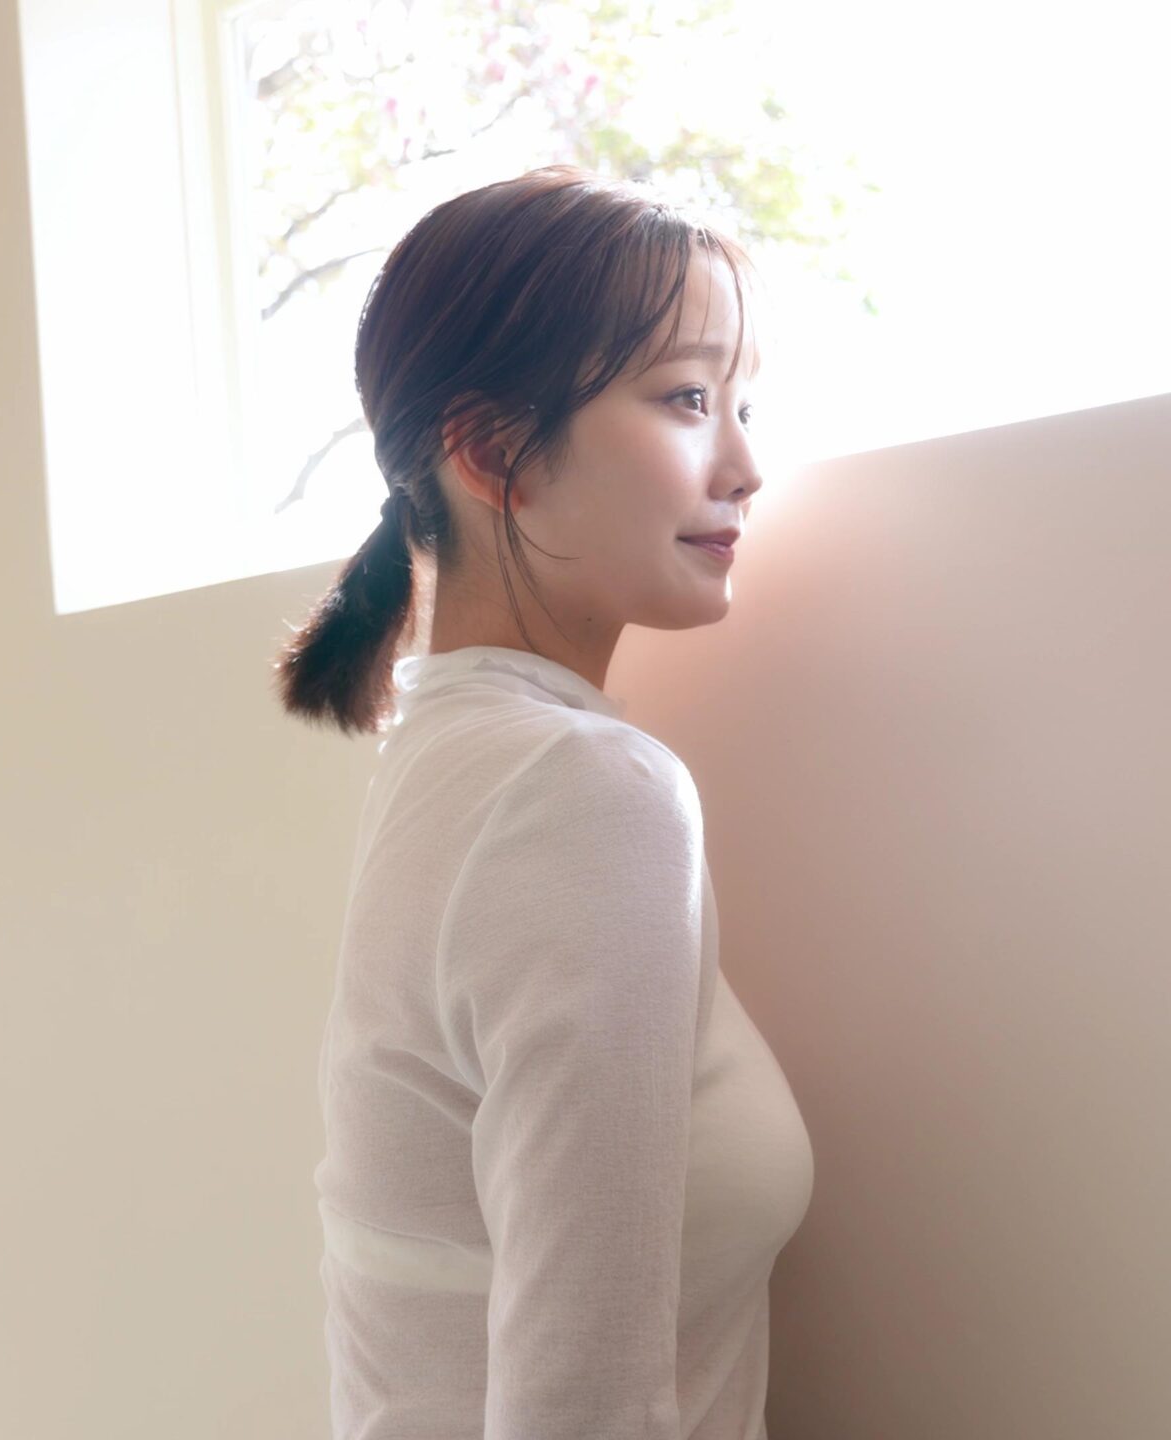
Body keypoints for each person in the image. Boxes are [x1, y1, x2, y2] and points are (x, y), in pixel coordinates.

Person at [275, 164, 816, 1439]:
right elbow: (581, 1402)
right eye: (687, 399)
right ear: (490, 451)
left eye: (741, 403)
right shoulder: (582, 789)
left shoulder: (451, 757)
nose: (745, 465)